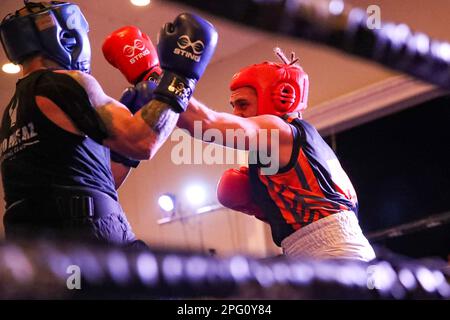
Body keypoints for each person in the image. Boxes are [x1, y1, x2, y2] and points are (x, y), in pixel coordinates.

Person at [0, 1, 217, 247]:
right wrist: (181, 75)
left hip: (38, 254)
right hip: (88, 239)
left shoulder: (12, 113)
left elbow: (96, 181)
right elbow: (143, 141)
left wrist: (123, 154)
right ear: (67, 37)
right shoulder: (66, 82)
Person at [177, 49, 376, 261]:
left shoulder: (278, 130)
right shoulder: (299, 146)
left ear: (278, 99)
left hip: (336, 256)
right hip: (331, 254)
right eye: (233, 106)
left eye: (243, 104)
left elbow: (205, 125)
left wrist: (159, 82)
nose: (236, 114)